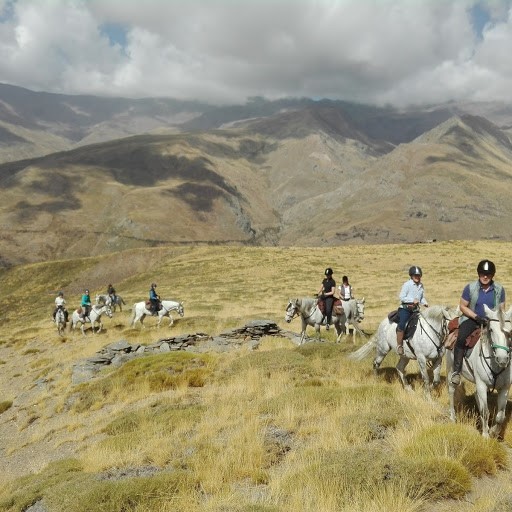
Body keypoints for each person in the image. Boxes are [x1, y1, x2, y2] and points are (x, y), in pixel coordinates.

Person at [450, 259, 505, 385]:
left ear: (492, 275)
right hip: (472, 319)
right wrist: (476, 317)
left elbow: (501, 310)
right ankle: (457, 372)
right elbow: (463, 306)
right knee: (461, 338)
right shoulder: (470, 288)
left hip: (493, 322)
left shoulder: (499, 289)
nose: (485, 276)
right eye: (482, 273)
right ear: (479, 274)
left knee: (506, 339)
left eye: (488, 274)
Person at [396, 266, 429, 355]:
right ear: (411, 276)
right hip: (405, 309)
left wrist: (425, 303)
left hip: (415, 310)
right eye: (415, 275)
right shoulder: (407, 285)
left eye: (419, 275)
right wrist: (412, 300)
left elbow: (421, 298)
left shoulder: (421, 286)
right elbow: (402, 297)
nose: (417, 277)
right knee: (402, 324)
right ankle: (399, 345)